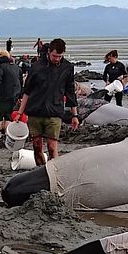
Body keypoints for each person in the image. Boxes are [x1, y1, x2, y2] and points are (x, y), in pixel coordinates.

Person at [15, 38, 79, 166]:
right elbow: (27, 91)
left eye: (60, 56)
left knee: (51, 147)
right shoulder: (37, 67)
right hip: (35, 112)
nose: (57, 59)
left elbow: (70, 92)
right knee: (37, 147)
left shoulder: (67, 67)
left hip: (55, 112)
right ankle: (41, 171)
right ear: (49, 52)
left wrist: (75, 115)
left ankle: (54, 173)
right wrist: (20, 112)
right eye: (55, 56)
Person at [0, 50, 23, 139]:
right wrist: (20, 96)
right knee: (9, 116)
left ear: (1, 57)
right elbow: (21, 82)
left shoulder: (0, 67)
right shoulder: (17, 67)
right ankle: (7, 134)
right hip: (15, 95)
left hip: (3, 95)